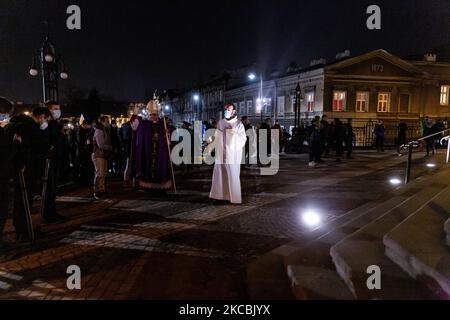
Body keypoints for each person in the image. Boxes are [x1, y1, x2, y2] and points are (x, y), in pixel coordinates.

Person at [6, 107, 50, 240]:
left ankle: (21, 228)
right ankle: (23, 231)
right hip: (26, 168)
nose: (45, 122)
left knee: (20, 200)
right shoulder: (29, 127)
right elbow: (30, 148)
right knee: (24, 201)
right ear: (41, 116)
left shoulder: (16, 125)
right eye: (45, 118)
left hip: (19, 167)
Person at [209, 104, 247, 204]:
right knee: (220, 175)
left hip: (232, 155)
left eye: (228, 109)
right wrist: (211, 140)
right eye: (225, 109)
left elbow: (243, 140)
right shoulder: (221, 122)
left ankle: (231, 197)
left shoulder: (239, 124)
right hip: (221, 154)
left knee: (231, 174)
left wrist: (234, 135)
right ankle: (219, 197)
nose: (226, 111)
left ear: (234, 111)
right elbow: (216, 136)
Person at [132, 100, 173, 192]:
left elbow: (168, 140)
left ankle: (160, 187)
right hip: (147, 152)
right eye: (151, 115)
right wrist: (136, 111)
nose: (152, 117)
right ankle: (148, 187)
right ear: (148, 115)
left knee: (160, 168)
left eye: (154, 115)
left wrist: (167, 135)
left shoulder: (163, 125)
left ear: (157, 115)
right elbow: (133, 126)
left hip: (160, 153)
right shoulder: (144, 124)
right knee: (148, 167)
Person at [41, 101, 67, 223]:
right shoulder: (46, 124)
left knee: (53, 190)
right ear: (49, 110)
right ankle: (48, 215)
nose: (58, 111)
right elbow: (49, 141)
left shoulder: (55, 124)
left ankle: (52, 212)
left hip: (56, 160)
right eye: (55, 108)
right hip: (50, 161)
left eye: (59, 108)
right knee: (49, 190)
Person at [92, 116, 113, 200]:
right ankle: (96, 191)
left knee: (103, 173)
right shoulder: (99, 131)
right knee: (99, 173)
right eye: (106, 121)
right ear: (102, 122)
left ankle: (102, 189)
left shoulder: (103, 130)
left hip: (103, 155)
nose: (108, 123)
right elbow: (101, 145)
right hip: (98, 155)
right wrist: (110, 147)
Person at [76, 120, 94, 186]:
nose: (87, 126)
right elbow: (81, 142)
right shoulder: (80, 131)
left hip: (86, 152)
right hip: (82, 152)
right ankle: (83, 181)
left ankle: (86, 180)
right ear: (83, 125)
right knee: (83, 167)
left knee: (87, 167)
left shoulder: (86, 131)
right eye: (86, 125)